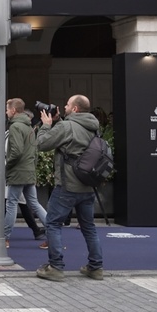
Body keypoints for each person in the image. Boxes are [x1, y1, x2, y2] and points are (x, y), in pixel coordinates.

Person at [35, 95, 104, 282]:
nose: (63, 106)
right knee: (89, 227)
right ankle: (95, 267)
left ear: (74, 109)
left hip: (67, 186)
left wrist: (47, 125)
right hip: (88, 187)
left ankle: (55, 267)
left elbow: (42, 144)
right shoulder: (93, 127)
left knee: (53, 224)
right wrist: (59, 121)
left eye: (67, 105)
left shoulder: (66, 127)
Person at [3, 99, 48, 246]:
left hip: (17, 171)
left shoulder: (15, 127)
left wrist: (7, 166)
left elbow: (16, 151)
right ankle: (53, 231)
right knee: (34, 203)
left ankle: (4, 238)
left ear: (13, 110)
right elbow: (34, 151)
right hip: (28, 169)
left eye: (7, 109)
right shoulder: (29, 127)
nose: (6, 112)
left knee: (11, 204)